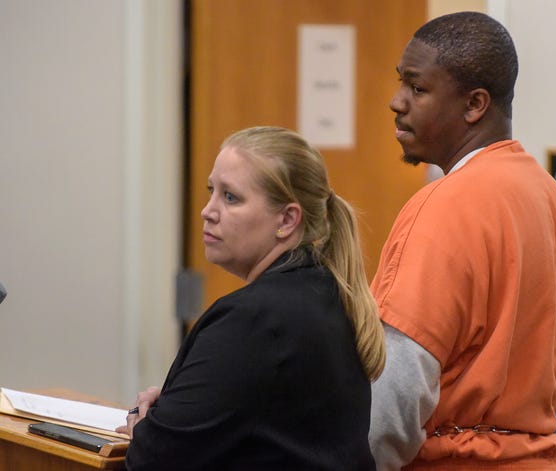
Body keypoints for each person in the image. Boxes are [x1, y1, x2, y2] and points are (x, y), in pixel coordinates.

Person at [368, 11, 556, 471]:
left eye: (418, 88)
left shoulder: (444, 206)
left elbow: (395, 393)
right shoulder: (549, 197)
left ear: (475, 105)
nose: (396, 101)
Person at [117, 126, 386, 470]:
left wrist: (145, 425)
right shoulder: (326, 294)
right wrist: (174, 411)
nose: (207, 211)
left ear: (287, 220)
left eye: (231, 198)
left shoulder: (257, 320)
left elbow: (151, 460)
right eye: (212, 191)